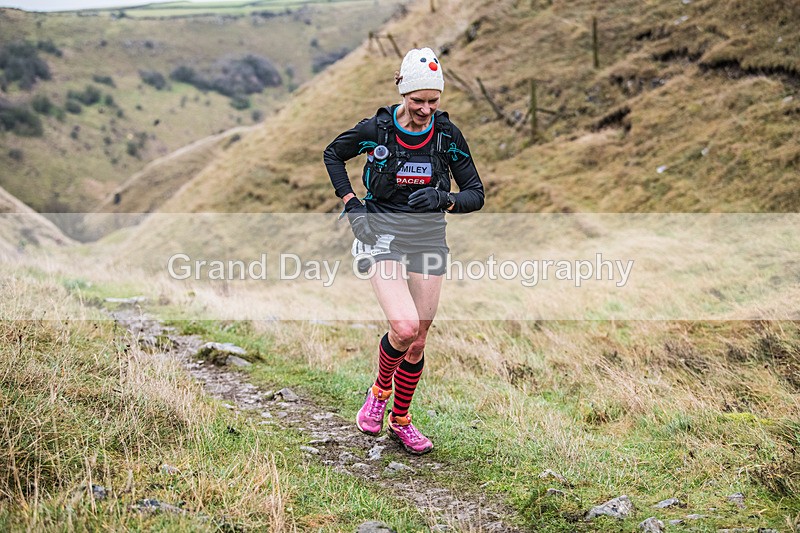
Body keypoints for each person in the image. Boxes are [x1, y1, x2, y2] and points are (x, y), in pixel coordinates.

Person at [323, 47, 484, 455]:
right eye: (418, 101)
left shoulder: (447, 136)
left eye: (433, 101)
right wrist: (351, 204)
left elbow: (475, 193)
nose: (426, 110)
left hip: (428, 239)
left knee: (419, 340)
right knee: (405, 326)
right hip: (381, 236)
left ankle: (401, 420)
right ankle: (378, 393)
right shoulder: (377, 130)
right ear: (403, 92)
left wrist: (444, 198)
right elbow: (333, 154)